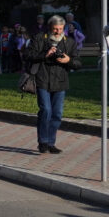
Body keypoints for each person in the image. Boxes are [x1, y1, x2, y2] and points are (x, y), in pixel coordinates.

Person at [22, 15, 81, 154]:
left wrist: (68, 60)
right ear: (50, 27)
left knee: (57, 114)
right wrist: (45, 55)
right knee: (46, 110)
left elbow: (78, 63)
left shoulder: (69, 42)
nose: (58, 32)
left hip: (60, 82)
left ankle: (51, 142)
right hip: (42, 79)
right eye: (55, 29)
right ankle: (43, 142)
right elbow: (28, 55)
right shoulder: (40, 38)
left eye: (61, 29)